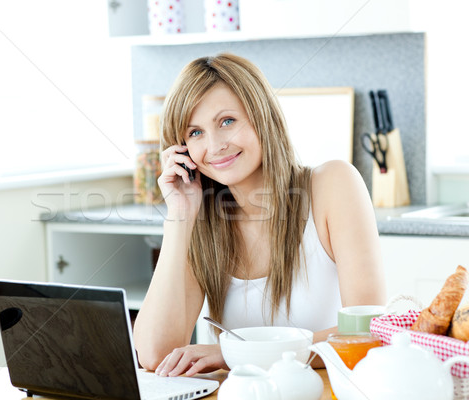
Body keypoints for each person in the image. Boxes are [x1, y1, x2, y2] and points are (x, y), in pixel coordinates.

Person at [133, 53, 386, 377]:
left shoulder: (334, 184)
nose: (215, 145)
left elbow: (368, 330)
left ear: (261, 116)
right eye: (195, 133)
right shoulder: (200, 221)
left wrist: (235, 354)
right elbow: (156, 355)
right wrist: (178, 217)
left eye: (227, 121)